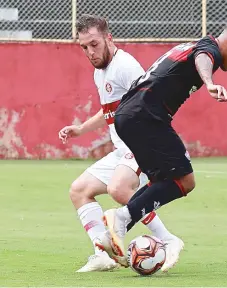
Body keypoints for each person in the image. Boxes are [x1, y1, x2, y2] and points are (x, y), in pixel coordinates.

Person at [95, 20, 227, 263]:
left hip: (128, 115)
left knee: (161, 181)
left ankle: (112, 235)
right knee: (185, 181)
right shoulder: (209, 49)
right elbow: (203, 58)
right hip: (146, 116)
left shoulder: (192, 45)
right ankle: (121, 219)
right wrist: (210, 82)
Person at [58, 14, 183, 272]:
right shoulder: (100, 71)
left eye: (94, 44)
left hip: (140, 146)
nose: (90, 52)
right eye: (84, 47)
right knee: (79, 190)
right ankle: (102, 255)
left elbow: (151, 104)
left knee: (119, 189)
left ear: (108, 38)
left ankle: (169, 240)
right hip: (122, 149)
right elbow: (110, 111)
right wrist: (81, 128)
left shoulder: (126, 67)